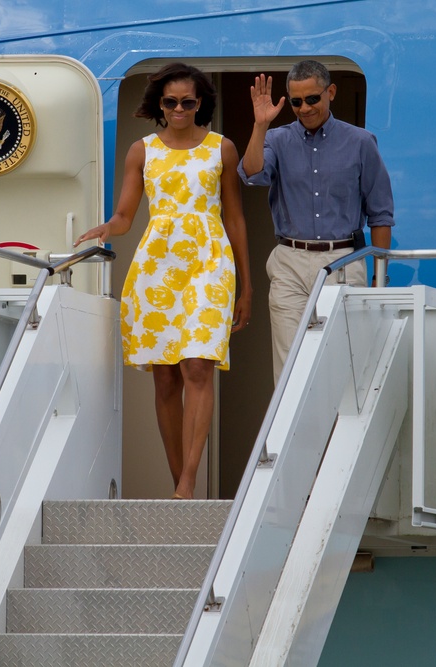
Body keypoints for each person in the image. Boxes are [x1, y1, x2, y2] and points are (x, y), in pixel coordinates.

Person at [75, 62, 252, 500]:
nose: (178, 108)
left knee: (197, 366)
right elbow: (124, 215)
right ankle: (181, 485)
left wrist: (246, 287)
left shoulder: (221, 149)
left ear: (200, 104)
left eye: (187, 101)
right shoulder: (143, 150)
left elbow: (235, 218)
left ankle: (189, 481)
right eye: (170, 101)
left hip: (210, 263)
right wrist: (106, 228)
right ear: (160, 103)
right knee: (166, 379)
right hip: (156, 266)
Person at [239, 59, 395, 384]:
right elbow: (252, 174)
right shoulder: (277, 140)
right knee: (289, 368)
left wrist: (381, 278)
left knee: (343, 364)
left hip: (343, 259)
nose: (305, 108)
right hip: (289, 262)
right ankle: (287, 435)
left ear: (331, 92)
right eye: (296, 102)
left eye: (313, 98)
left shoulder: (361, 142)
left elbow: (380, 213)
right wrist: (259, 125)